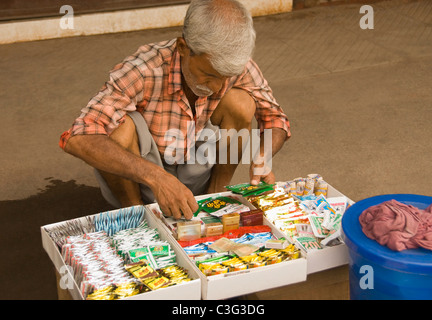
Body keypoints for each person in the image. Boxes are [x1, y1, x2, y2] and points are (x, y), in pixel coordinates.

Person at [59, 0, 291, 220]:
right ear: (183, 48)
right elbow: (78, 137)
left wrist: (262, 158)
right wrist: (156, 177)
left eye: (226, 78)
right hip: (145, 179)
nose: (217, 87)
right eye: (209, 75)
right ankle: (136, 214)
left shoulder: (233, 65)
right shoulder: (144, 69)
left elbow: (275, 119)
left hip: (196, 168)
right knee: (118, 126)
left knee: (241, 102)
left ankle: (216, 196)